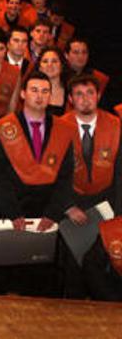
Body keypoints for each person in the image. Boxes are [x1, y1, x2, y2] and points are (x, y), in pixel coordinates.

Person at [0, 71, 76, 297]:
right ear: (24, 94)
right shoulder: (3, 127)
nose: (40, 96)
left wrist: (52, 213)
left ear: (51, 96)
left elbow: (66, 177)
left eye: (45, 91)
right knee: (3, 284)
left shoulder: (64, 130)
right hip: (11, 214)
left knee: (40, 287)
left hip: (45, 216)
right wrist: (13, 212)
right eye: (34, 90)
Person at [58, 74, 122, 298]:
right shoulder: (60, 126)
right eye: (79, 94)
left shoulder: (116, 125)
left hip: (107, 206)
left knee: (101, 268)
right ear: (70, 99)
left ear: (99, 96)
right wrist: (67, 205)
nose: (85, 99)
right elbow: (53, 174)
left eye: (90, 93)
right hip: (72, 207)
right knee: (73, 271)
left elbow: (120, 173)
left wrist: (117, 212)